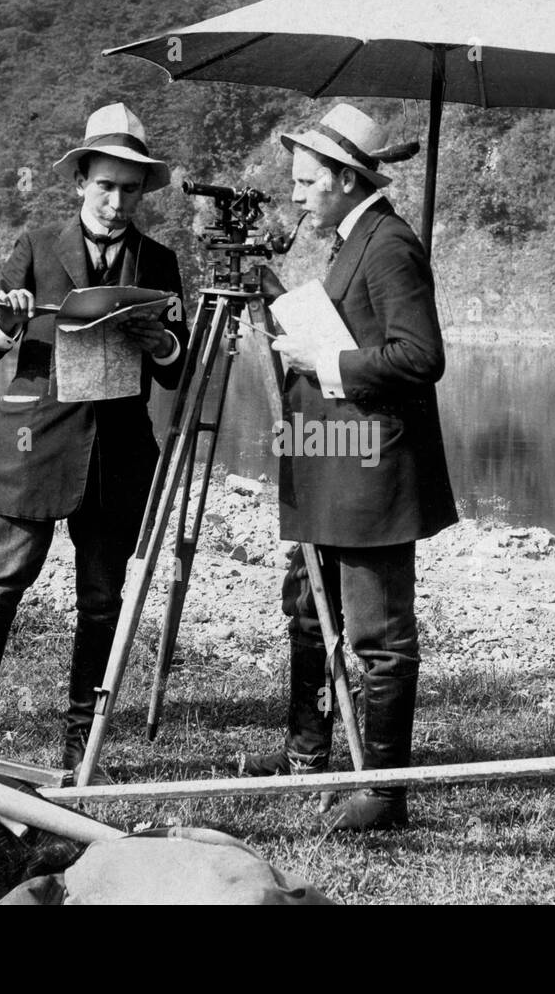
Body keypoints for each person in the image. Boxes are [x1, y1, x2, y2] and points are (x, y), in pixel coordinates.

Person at [0, 104, 186, 780]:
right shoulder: (38, 246)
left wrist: (160, 339)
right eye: (105, 186)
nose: (116, 202)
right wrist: (5, 323)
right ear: (79, 182)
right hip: (35, 443)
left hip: (119, 456)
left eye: (130, 190)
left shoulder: (159, 261)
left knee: (104, 601)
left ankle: (83, 750)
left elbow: (180, 364)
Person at [239, 103, 458, 832]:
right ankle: (319, 759)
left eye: (305, 181)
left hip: (376, 473)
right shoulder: (352, 240)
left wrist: (323, 360)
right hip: (341, 462)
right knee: (316, 610)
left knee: (380, 637)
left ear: (340, 178)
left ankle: (385, 792)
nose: (296, 194)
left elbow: (421, 357)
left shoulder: (389, 244)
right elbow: (354, 326)